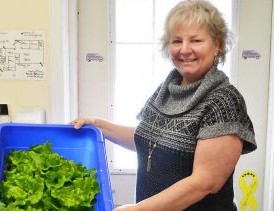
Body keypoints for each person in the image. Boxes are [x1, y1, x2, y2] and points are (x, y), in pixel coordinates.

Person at [71, 0, 257, 210]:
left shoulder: (224, 102)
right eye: (177, 41)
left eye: (196, 40)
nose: (184, 49)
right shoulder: (167, 89)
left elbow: (205, 183)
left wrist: (139, 209)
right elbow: (149, 140)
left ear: (217, 44)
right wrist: (98, 126)